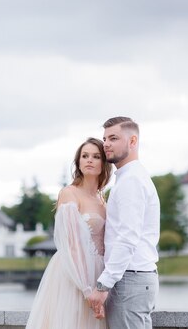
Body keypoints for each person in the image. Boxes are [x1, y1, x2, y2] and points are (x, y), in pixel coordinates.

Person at [26, 137, 112, 329]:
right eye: (85, 156)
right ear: (78, 162)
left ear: (104, 163)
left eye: (96, 156)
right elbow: (71, 244)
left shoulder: (103, 200)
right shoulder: (69, 193)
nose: (89, 160)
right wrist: (87, 289)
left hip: (98, 274)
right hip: (73, 274)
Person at [88, 117, 161, 328]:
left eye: (113, 138)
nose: (106, 144)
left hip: (130, 280)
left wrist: (103, 286)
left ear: (132, 141)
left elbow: (128, 237)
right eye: (105, 139)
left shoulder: (132, 181)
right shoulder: (128, 178)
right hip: (133, 279)